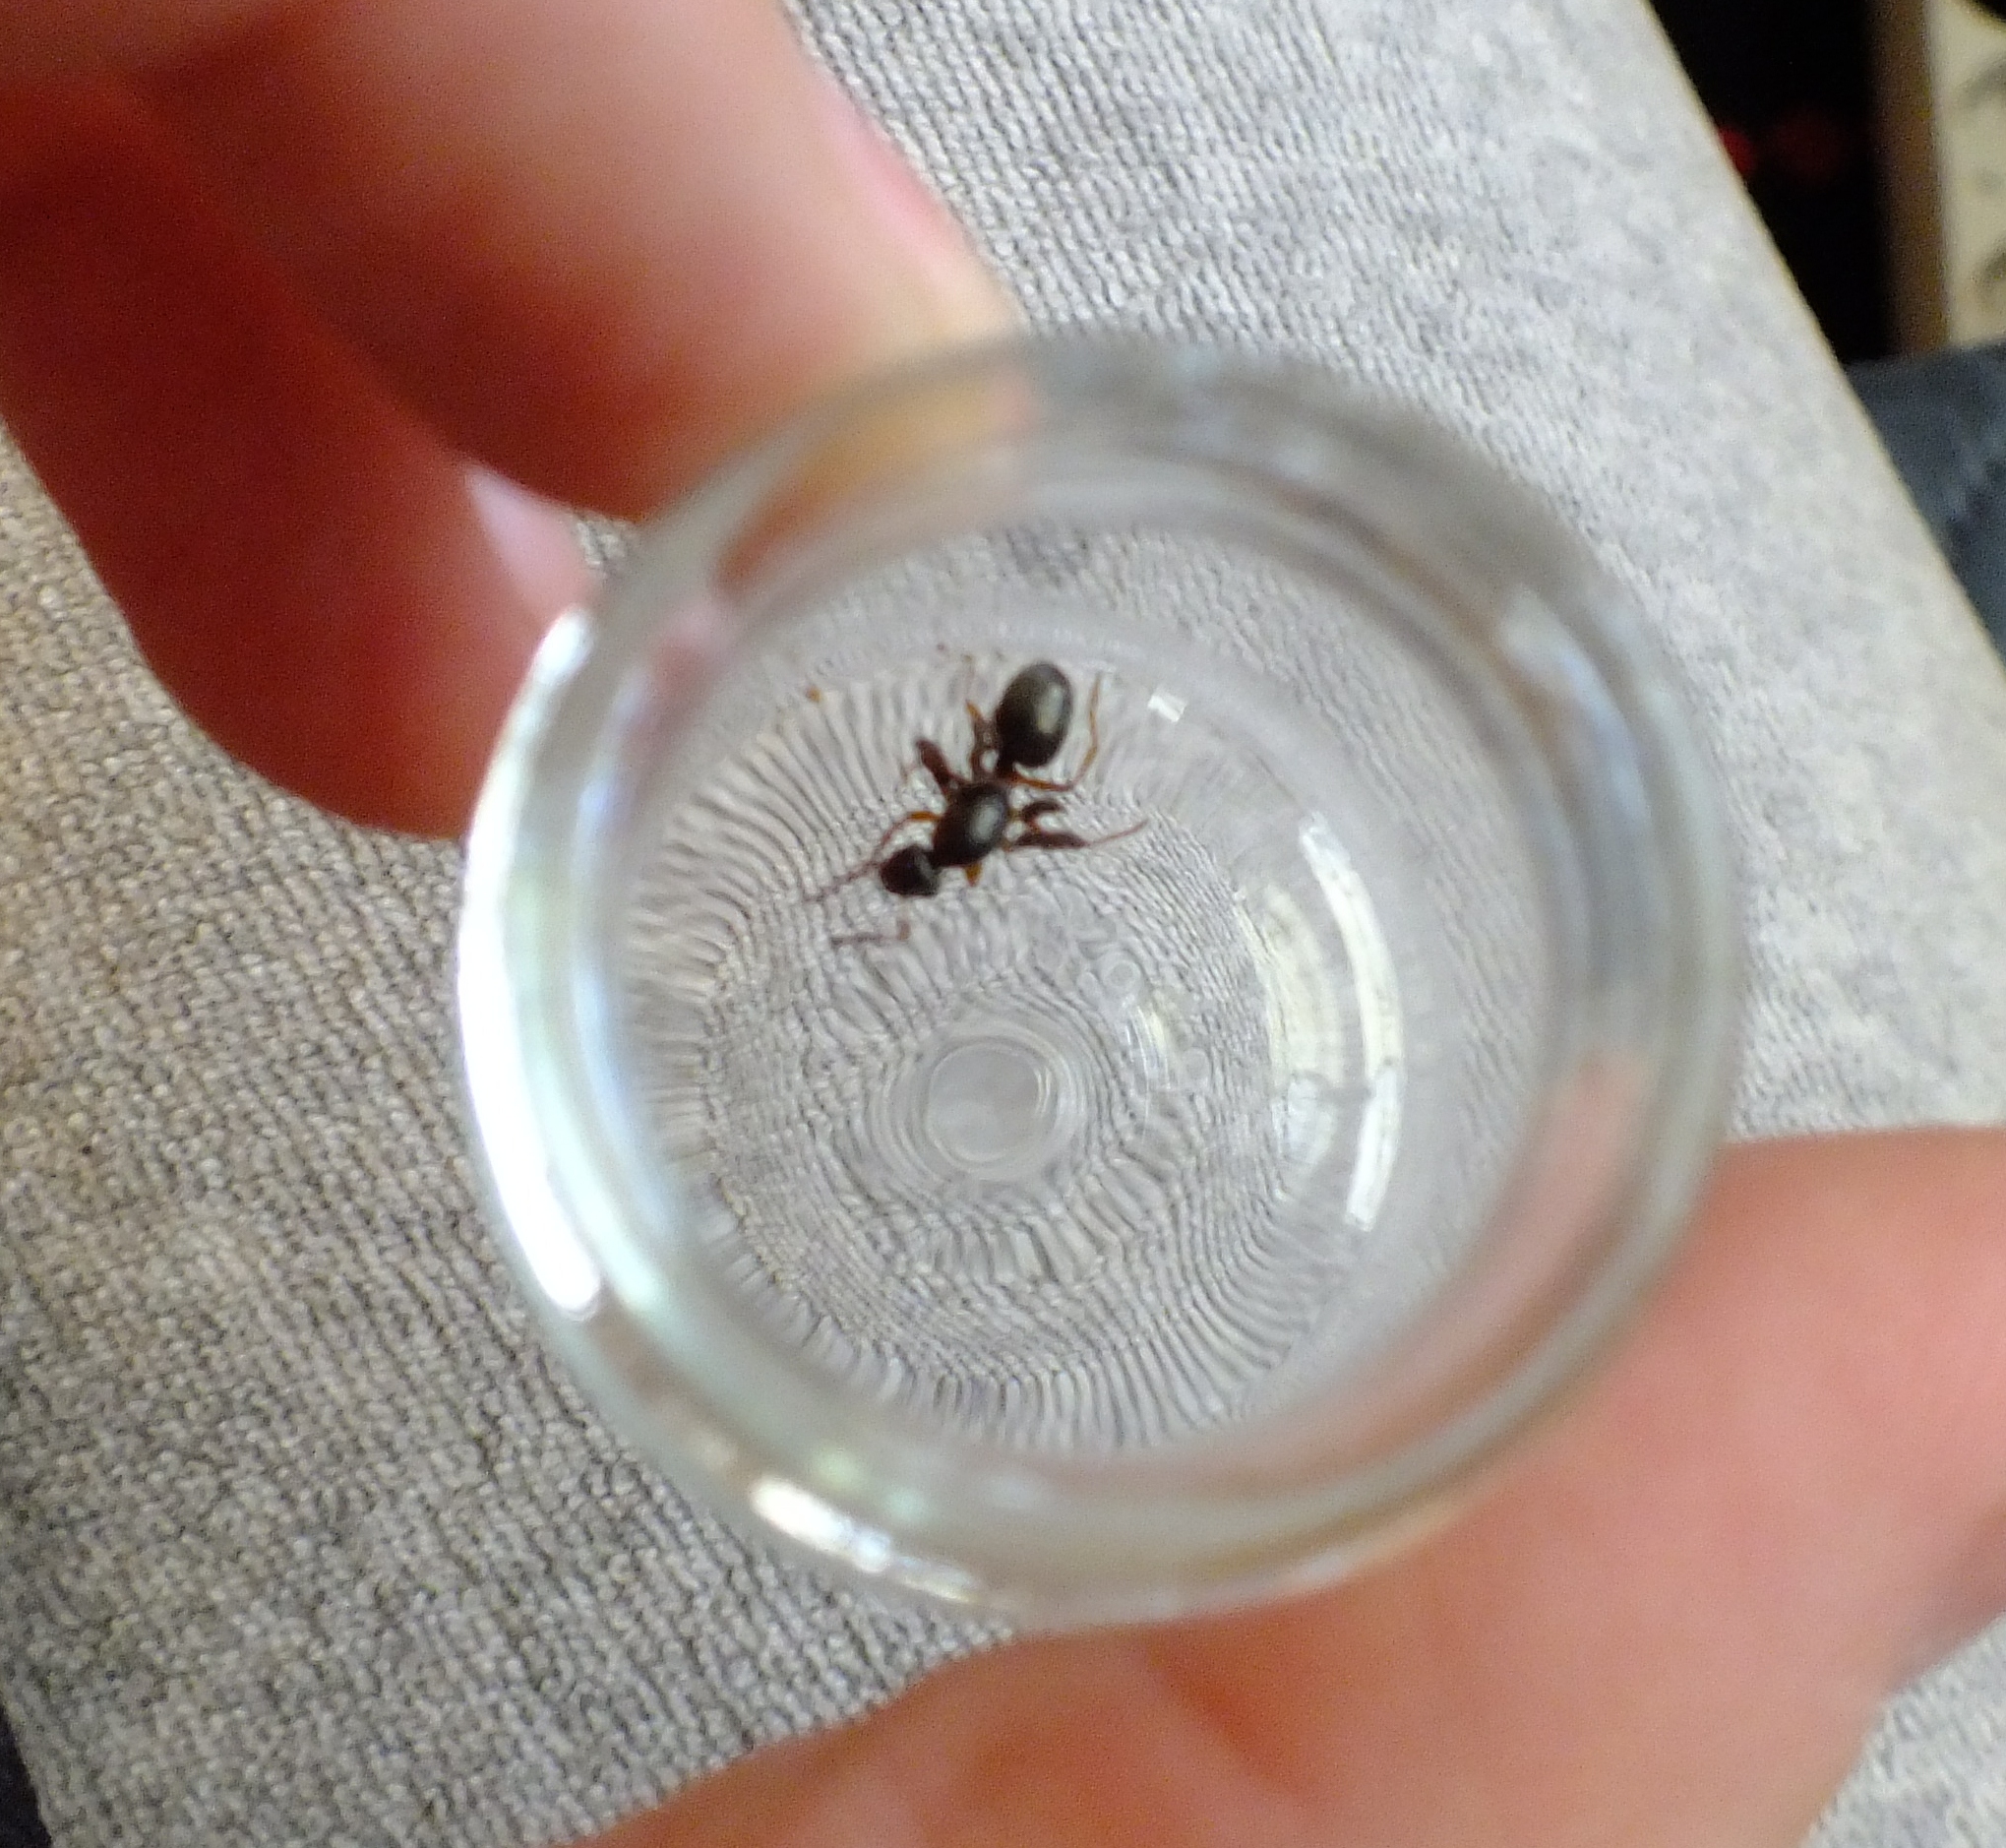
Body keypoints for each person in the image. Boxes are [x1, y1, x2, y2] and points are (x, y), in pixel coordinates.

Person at [3, 3, 2004, 1845]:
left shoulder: (971, 795)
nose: (935, 858)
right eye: (929, 864)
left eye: (922, 862)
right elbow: (992, 806)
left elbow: (1002, 797)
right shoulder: (960, 808)